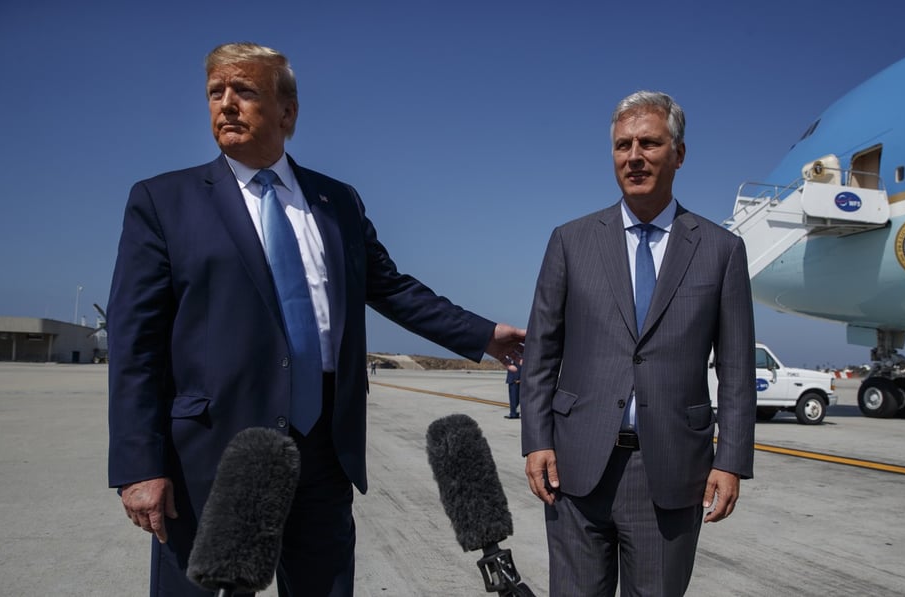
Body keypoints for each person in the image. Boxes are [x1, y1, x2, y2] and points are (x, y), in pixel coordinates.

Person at [107, 42, 524, 597]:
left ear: (288, 112)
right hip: (212, 455)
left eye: (245, 91)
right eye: (215, 93)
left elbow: (389, 287)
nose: (226, 104)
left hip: (323, 448)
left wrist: (483, 335)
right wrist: (139, 464)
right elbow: (135, 343)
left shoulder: (337, 201)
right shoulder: (164, 201)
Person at [520, 90, 755, 596]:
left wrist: (731, 459)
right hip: (576, 467)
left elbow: (736, 371)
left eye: (650, 143)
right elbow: (542, 352)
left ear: (679, 154)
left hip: (670, 471)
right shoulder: (571, 240)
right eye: (623, 145)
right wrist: (536, 439)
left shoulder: (721, 250)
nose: (634, 157)